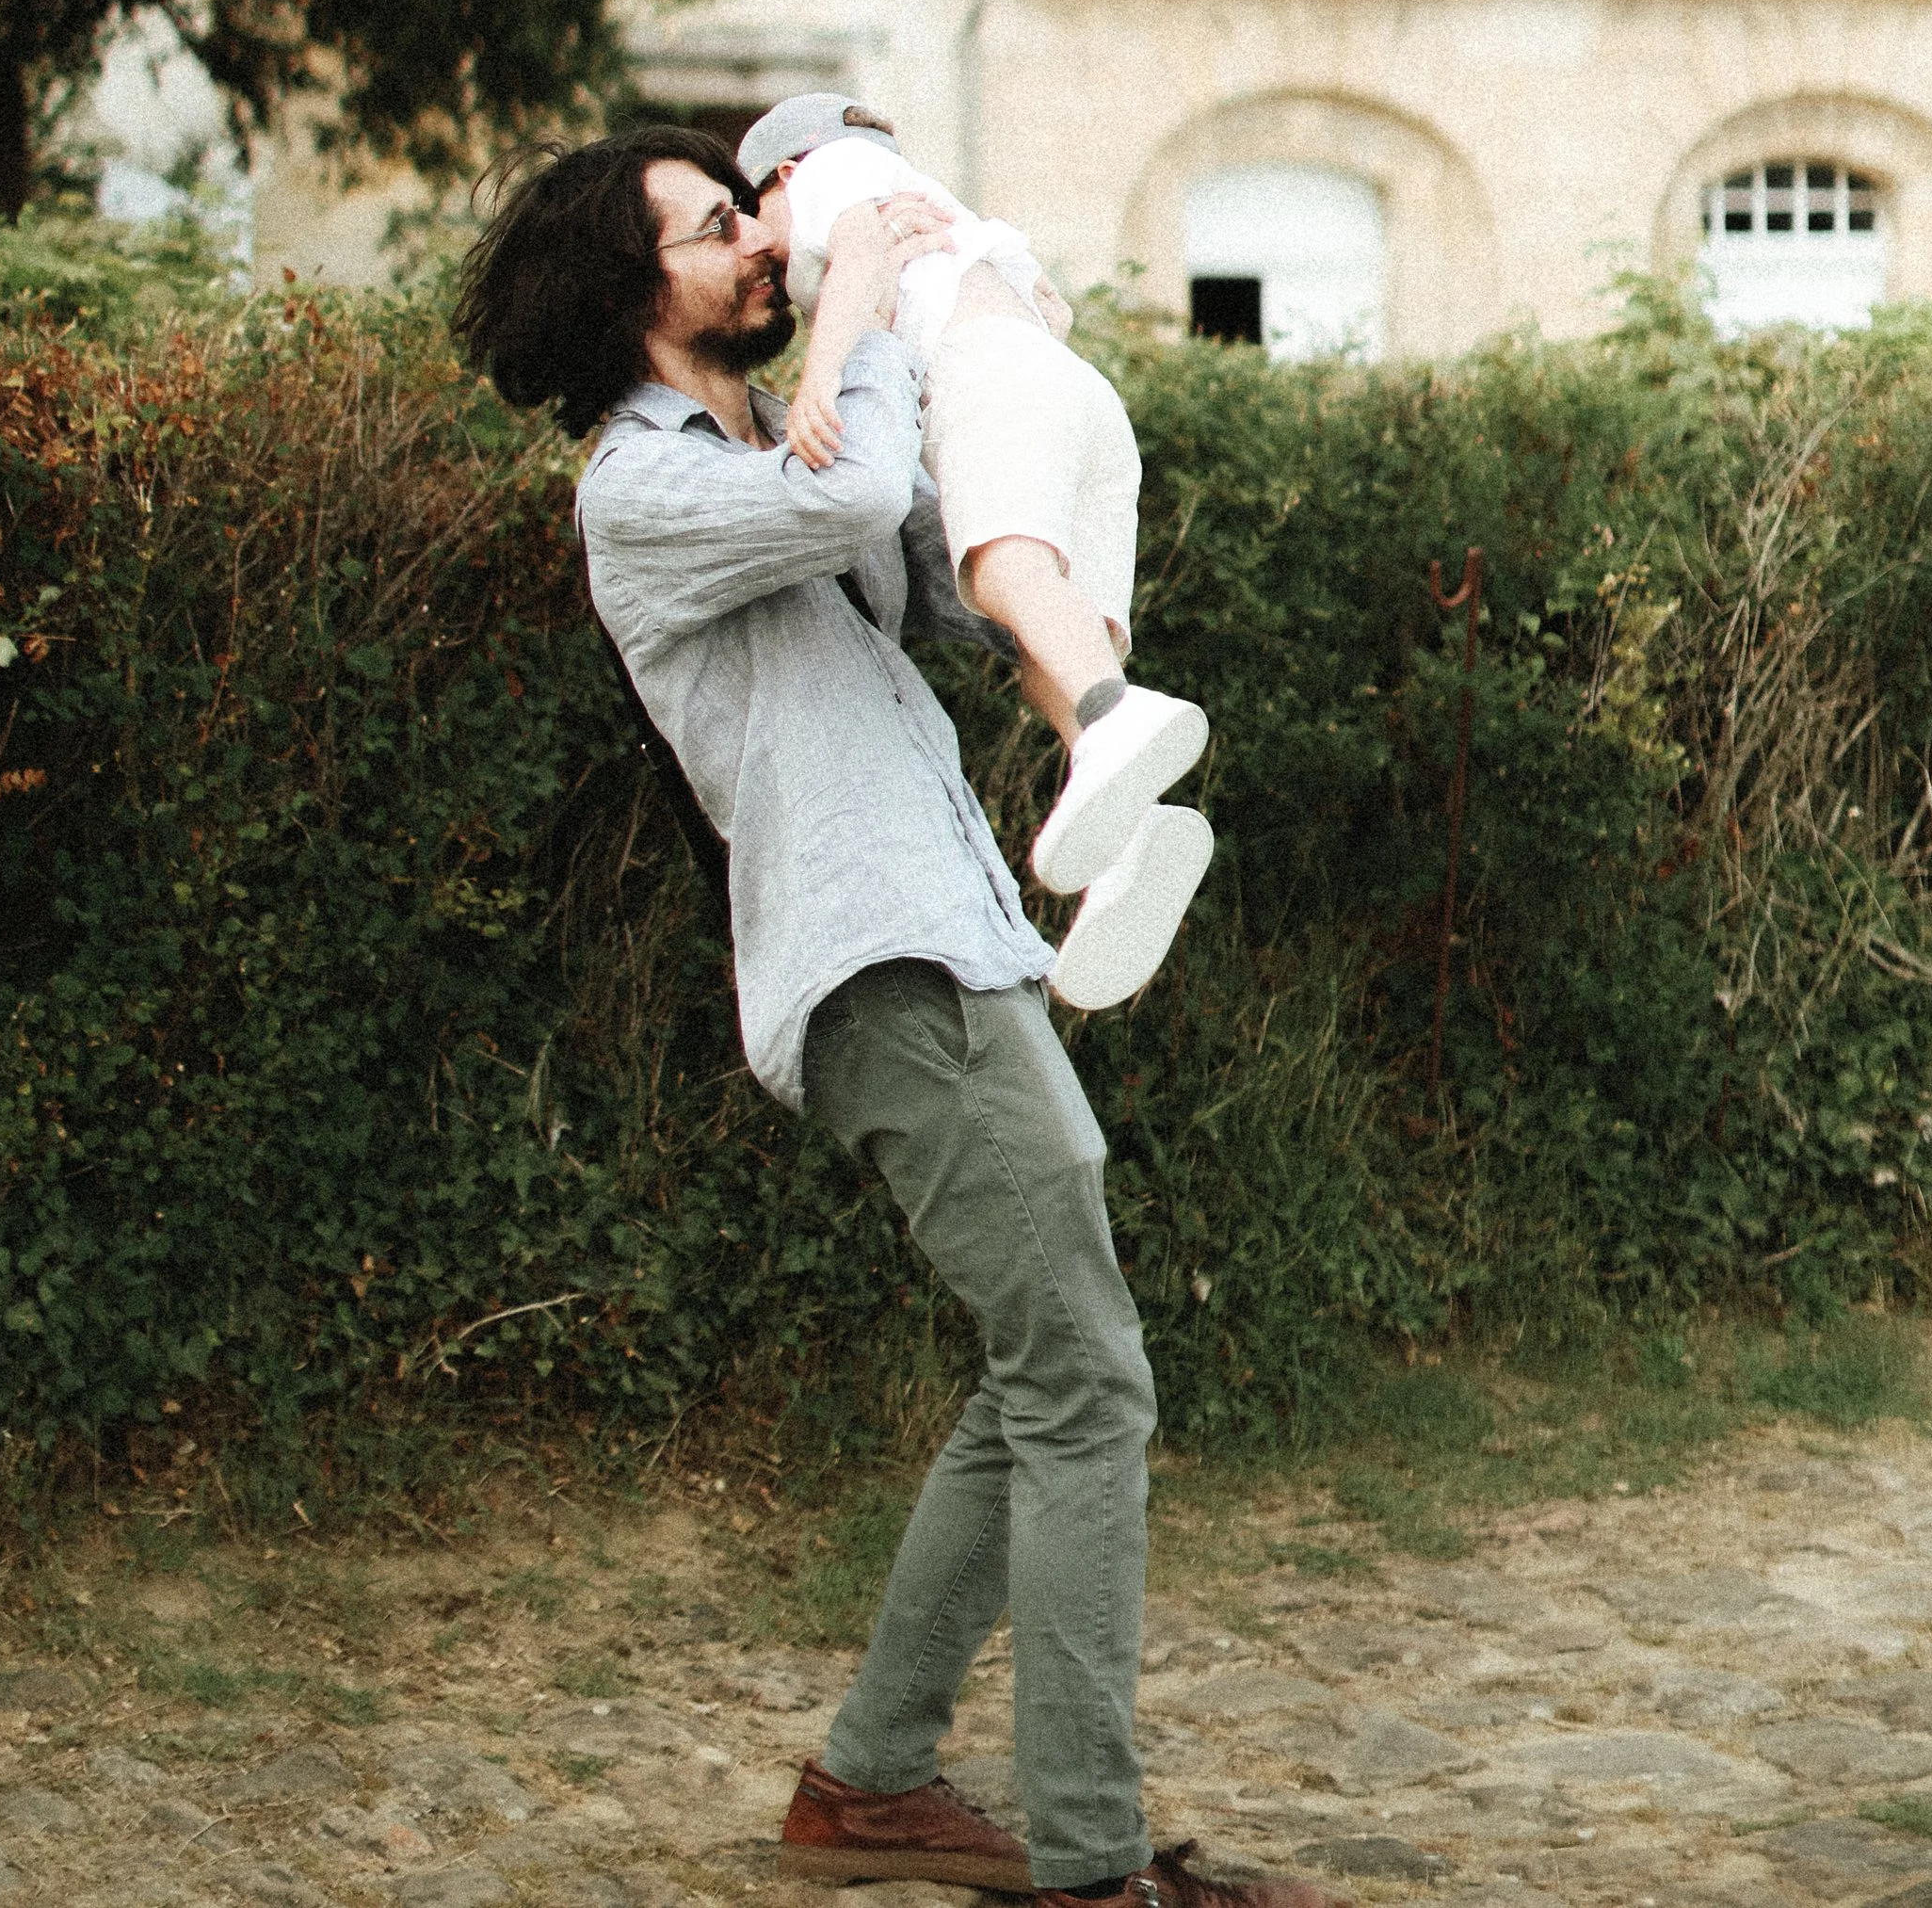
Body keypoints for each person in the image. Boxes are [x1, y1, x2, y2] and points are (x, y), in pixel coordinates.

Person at [452, 126, 1340, 1908]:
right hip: (882, 966)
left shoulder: (767, 446)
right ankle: (1093, 1865)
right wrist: (858, 283)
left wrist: (969, 334)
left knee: (1045, 1377)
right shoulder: (637, 486)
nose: (759, 252)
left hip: (958, 937)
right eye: (722, 234)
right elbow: (849, 509)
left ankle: (868, 1781)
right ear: (634, 293)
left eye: (753, 219)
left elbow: (916, 570)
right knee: (1089, 1384)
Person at [738, 94, 1212, 1011]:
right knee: (1058, 649)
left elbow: (863, 259)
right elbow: (1054, 309)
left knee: (1002, 571)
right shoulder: (949, 212)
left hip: (986, 374)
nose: (763, 245)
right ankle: (1131, 844)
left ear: (787, 173)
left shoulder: (836, 180)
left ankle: (1115, 717)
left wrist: (820, 379)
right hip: (1079, 397)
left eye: (756, 215)